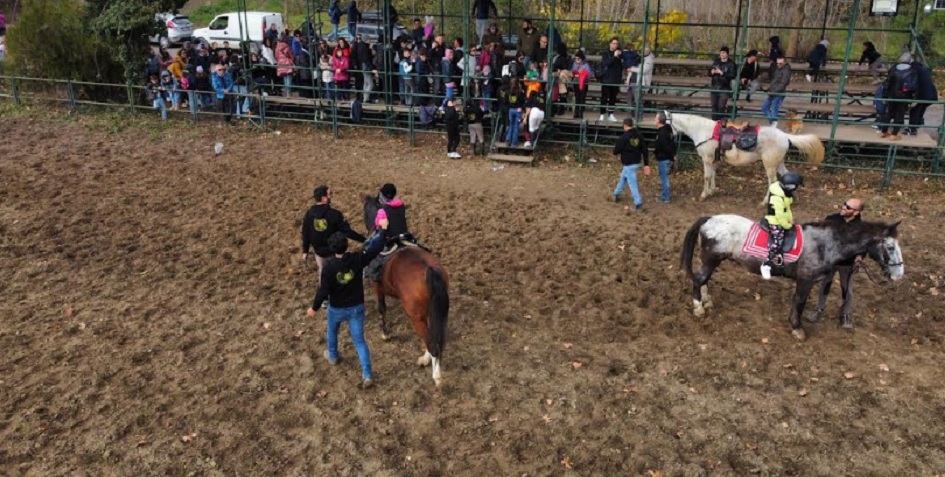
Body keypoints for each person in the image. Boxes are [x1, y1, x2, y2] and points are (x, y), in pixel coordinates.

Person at [306, 223, 388, 389]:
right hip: (356, 307)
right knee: (359, 341)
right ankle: (367, 374)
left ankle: (333, 356)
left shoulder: (329, 268)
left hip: (336, 308)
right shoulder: (357, 259)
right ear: (346, 245)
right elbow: (375, 248)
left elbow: (323, 291)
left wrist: (314, 308)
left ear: (332, 248)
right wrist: (384, 230)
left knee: (332, 331)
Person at [808, 198, 865, 327]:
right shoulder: (832, 219)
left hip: (847, 264)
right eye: (845, 204)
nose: (844, 207)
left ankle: (846, 315)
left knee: (846, 289)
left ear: (856, 212)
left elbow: (863, 246)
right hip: (829, 261)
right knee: (825, 285)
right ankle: (819, 310)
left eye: (848, 207)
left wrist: (859, 257)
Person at [301, 185, 367, 274]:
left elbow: (305, 233)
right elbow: (347, 232)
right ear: (324, 198)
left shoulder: (309, 214)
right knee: (337, 274)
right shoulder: (335, 214)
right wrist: (364, 240)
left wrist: (305, 251)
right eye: (329, 194)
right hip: (333, 251)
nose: (331, 196)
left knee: (322, 271)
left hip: (318, 252)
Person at [364, 183, 416, 281]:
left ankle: (370, 272)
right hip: (403, 235)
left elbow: (378, 225)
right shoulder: (401, 205)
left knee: (368, 248)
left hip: (389, 238)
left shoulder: (382, 210)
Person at [760, 172, 803, 280]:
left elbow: (787, 209)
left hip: (783, 219)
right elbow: (779, 215)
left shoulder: (784, 194)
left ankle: (780, 259)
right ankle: (766, 265)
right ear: (790, 186)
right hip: (775, 221)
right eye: (795, 187)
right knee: (777, 241)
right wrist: (787, 225)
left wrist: (790, 219)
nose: (796, 189)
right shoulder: (777, 197)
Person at [612, 117, 650, 210]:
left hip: (628, 163)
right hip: (636, 162)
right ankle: (616, 194)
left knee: (632, 183)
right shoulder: (639, 136)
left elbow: (615, 151)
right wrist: (646, 164)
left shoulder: (623, 138)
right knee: (623, 178)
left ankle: (638, 203)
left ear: (625, 126)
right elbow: (645, 150)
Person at [879, 52, 917, 141]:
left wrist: (884, 95)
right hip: (904, 97)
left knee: (888, 114)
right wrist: (913, 98)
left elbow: (887, 83)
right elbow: (914, 86)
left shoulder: (893, 69)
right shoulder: (912, 71)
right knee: (899, 115)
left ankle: (884, 132)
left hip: (891, 95)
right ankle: (894, 134)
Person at [906, 59, 937, 136]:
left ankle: (912, 129)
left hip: (922, 94)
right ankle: (918, 125)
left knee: (915, 110)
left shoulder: (914, 69)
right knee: (920, 109)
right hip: (930, 94)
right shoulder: (922, 68)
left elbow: (914, 83)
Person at [599, 38, 624, 122]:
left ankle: (611, 114)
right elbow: (605, 63)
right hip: (606, 79)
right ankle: (602, 114)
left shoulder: (620, 54)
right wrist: (614, 56)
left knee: (613, 98)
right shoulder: (605, 53)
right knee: (604, 98)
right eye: (613, 43)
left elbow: (622, 66)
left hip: (615, 80)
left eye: (616, 43)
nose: (615, 45)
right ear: (610, 44)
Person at [653, 112, 676, 203]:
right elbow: (672, 145)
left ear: (659, 121)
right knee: (664, 178)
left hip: (664, 158)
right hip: (666, 158)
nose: (654, 120)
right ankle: (664, 194)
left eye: (655, 118)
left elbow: (664, 147)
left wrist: (671, 157)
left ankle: (666, 198)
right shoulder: (666, 131)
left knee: (664, 179)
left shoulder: (662, 133)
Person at [762, 55, 791, 127]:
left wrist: (772, 90)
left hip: (779, 92)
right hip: (773, 91)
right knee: (764, 107)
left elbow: (783, 83)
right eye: (777, 63)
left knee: (774, 107)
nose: (778, 65)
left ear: (784, 62)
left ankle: (773, 123)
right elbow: (773, 81)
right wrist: (769, 88)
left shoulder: (786, 70)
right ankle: (773, 122)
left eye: (780, 63)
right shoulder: (776, 68)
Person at [709, 46, 736, 121]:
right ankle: (714, 123)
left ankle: (720, 123)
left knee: (721, 106)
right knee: (714, 106)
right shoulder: (716, 61)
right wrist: (711, 72)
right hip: (714, 86)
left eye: (723, 52)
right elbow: (709, 71)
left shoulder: (731, 63)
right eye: (721, 52)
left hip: (724, 87)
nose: (721, 54)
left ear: (727, 54)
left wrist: (722, 73)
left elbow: (733, 75)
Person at [505, 78, 525, 147]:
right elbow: (523, 101)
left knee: (511, 125)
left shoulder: (507, 91)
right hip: (518, 110)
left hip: (511, 109)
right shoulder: (520, 92)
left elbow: (506, 101)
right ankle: (514, 142)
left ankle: (508, 140)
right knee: (516, 126)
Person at [571, 51, 591, 119]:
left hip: (584, 84)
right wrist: (577, 72)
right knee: (577, 98)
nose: (576, 60)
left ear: (581, 59)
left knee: (582, 98)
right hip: (576, 83)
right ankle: (576, 113)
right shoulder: (574, 64)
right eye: (576, 58)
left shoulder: (586, 65)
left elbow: (589, 74)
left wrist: (583, 73)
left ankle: (581, 113)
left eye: (578, 58)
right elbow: (573, 72)